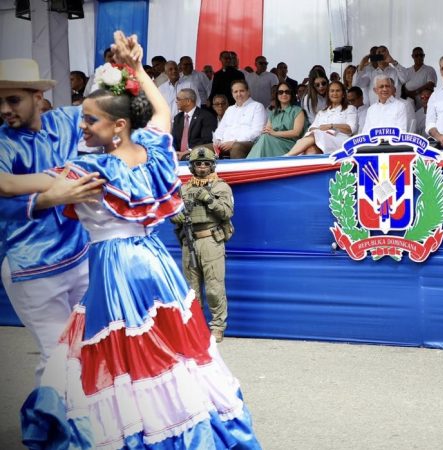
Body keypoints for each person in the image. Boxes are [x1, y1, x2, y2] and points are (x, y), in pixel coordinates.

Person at [11, 31, 261, 449]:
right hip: (155, 262)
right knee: (166, 351)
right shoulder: (152, 149)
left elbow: (15, 185)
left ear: (119, 126)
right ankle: (181, 419)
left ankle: (139, 427)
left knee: (123, 353)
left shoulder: (88, 172)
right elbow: (161, 109)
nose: (83, 126)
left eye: (91, 120)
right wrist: (137, 69)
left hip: (117, 268)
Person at [0, 59, 104, 385]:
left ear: (39, 98)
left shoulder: (66, 120)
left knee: (90, 347)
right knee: (60, 357)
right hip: (33, 268)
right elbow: (3, 187)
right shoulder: (4, 143)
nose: (4, 109)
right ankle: (51, 430)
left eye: (13, 99)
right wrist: (53, 190)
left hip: (78, 256)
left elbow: (109, 114)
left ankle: (82, 426)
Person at [171, 147, 234, 343]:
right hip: (189, 240)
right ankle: (195, 328)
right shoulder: (184, 189)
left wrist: (208, 199)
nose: (202, 167)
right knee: (192, 290)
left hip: (210, 240)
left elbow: (227, 213)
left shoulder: (221, 187)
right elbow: (172, 210)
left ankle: (217, 327)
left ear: (212, 165)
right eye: (198, 164)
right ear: (192, 167)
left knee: (214, 288)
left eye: (206, 164)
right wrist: (176, 217)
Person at [287, 80, 355, 155]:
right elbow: (311, 128)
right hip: (322, 140)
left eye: (338, 91)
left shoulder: (350, 108)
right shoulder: (322, 112)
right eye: (332, 91)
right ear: (328, 94)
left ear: (343, 94)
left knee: (316, 134)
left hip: (340, 141)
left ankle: (288, 156)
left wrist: (331, 126)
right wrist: (320, 129)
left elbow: (351, 129)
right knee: (311, 150)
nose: (334, 93)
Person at [248, 82, 307, 158]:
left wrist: (275, 133)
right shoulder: (273, 113)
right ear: (277, 95)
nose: (284, 94)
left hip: (291, 146)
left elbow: (296, 133)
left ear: (291, 94)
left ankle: (252, 165)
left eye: (287, 92)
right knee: (264, 137)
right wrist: (269, 132)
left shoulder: (298, 111)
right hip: (272, 142)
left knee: (265, 139)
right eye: (280, 92)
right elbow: (268, 131)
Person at [213, 79, 267, 159]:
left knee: (236, 147)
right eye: (235, 92)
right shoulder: (230, 109)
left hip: (247, 144)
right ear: (232, 94)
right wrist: (218, 141)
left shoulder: (257, 106)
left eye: (242, 91)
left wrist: (234, 142)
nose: (239, 94)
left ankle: (237, 171)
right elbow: (220, 130)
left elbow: (257, 131)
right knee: (200, 149)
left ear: (248, 91)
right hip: (224, 144)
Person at [171, 88, 217, 160]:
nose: (176, 101)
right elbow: (174, 140)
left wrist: (188, 151)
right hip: (178, 155)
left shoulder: (206, 116)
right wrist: (174, 152)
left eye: (178, 99)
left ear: (188, 101)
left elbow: (206, 140)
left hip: (196, 155)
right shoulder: (178, 118)